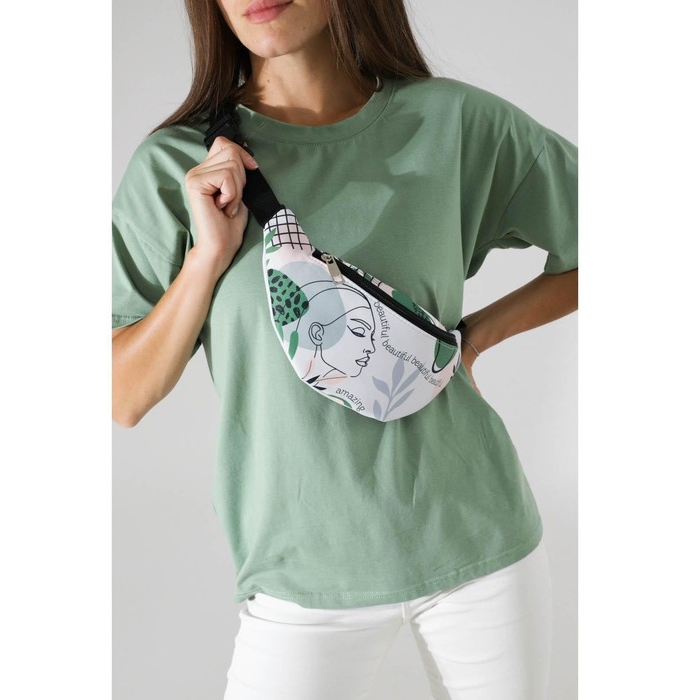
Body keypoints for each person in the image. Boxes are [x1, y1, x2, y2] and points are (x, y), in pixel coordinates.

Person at [112, 0, 578, 697]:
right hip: (301, 578)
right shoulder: (180, 167)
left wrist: (477, 337)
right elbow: (122, 395)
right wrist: (205, 258)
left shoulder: (453, 124)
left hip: (479, 548)